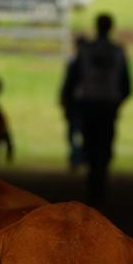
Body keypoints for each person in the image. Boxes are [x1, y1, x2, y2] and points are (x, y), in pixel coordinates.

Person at [63, 13, 131, 203]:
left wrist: (70, 103)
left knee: (91, 144)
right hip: (108, 104)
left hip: (89, 103)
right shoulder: (117, 51)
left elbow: (73, 79)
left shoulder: (86, 51)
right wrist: (117, 101)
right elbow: (126, 84)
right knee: (105, 144)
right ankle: (100, 180)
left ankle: (93, 181)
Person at [59, 33, 87, 169]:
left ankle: (77, 157)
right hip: (80, 104)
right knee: (77, 132)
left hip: (77, 103)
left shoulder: (74, 63)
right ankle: (78, 156)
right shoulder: (77, 64)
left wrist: (63, 99)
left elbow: (67, 84)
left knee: (74, 132)